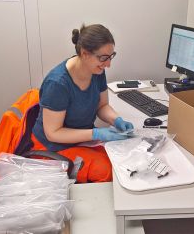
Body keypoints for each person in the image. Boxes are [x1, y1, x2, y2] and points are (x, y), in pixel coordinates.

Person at [31, 23, 134, 183]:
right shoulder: (58, 83)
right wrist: (96, 134)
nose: (108, 64)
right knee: (110, 173)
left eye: (111, 56)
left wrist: (116, 120)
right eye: (103, 58)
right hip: (54, 146)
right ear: (85, 54)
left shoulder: (97, 71)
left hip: (82, 138)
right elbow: (53, 133)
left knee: (125, 158)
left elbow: (102, 106)